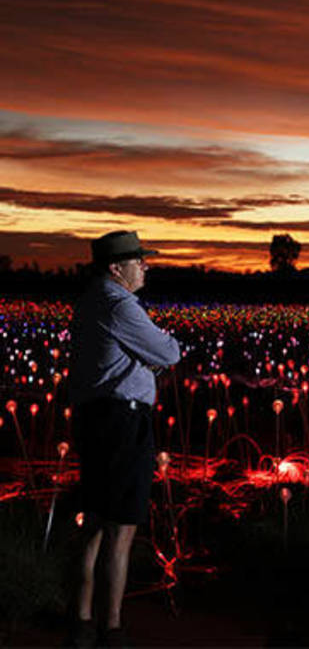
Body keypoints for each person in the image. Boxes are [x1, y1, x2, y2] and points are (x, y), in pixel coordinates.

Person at [68, 231, 180, 648]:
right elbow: (168, 353)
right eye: (138, 260)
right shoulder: (120, 306)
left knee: (94, 523)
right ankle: (111, 631)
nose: (145, 266)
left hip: (94, 419)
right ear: (117, 269)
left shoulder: (88, 301)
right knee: (121, 529)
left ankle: (79, 622)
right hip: (121, 424)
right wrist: (153, 357)